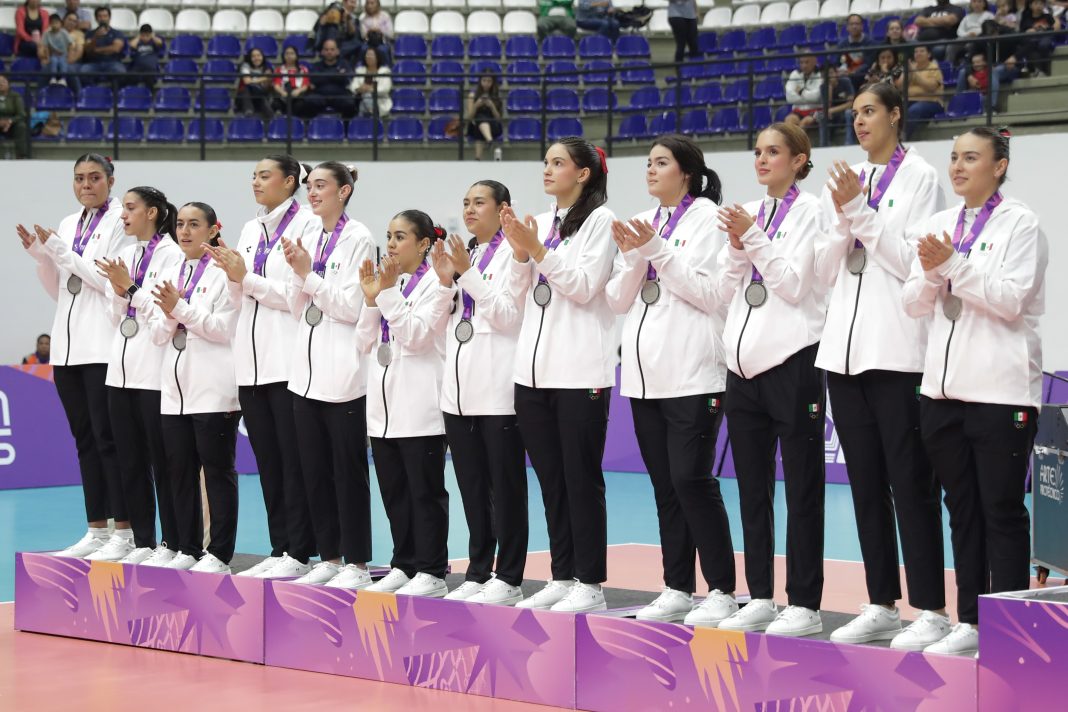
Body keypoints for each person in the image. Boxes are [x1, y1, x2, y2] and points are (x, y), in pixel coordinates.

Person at [815, 83, 950, 651]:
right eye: (854, 113)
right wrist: (844, 220)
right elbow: (823, 269)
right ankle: (881, 604)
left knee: (910, 484)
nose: (860, 121)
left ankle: (933, 609)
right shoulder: (845, 180)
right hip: (842, 356)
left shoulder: (920, 177)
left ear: (896, 115)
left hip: (896, 354)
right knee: (865, 485)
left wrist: (860, 213)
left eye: (870, 111)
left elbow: (909, 261)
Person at [903, 127, 1046, 655]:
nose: (958, 167)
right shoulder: (939, 225)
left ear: (999, 166)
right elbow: (912, 303)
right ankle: (970, 621)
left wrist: (952, 265)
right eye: (954, 157)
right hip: (941, 394)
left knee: (1001, 510)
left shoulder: (1021, 224)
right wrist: (930, 273)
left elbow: (1010, 300)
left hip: (1000, 393)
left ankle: (1007, 626)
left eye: (971, 157)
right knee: (961, 510)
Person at [604, 135, 736, 625]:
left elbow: (709, 294)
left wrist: (656, 250)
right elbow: (618, 300)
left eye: (661, 162)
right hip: (644, 378)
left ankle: (722, 589)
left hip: (693, 374)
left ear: (687, 172)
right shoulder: (646, 220)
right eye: (649, 162)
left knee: (691, 480)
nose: (651, 170)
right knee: (665, 486)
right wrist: (637, 255)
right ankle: (677, 587)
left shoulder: (708, 219)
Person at [710, 123, 828, 637]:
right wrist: (738, 246)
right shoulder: (751, 212)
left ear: (799, 160)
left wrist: (753, 239)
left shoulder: (812, 212)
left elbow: (794, 285)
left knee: (802, 488)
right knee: (751, 490)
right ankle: (759, 594)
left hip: (793, 363)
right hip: (742, 370)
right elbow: (724, 290)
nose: (761, 159)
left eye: (773, 152)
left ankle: (804, 602)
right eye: (758, 151)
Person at [501, 137, 617, 613]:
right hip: (533, 373)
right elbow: (517, 296)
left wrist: (538, 251)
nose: (547, 170)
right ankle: (562, 573)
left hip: (579, 370)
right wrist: (520, 253)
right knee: (551, 480)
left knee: (580, 479)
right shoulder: (542, 223)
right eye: (545, 162)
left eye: (557, 163)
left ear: (583, 173)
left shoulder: (601, 221)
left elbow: (584, 287)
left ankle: (590, 582)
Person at [206, 155, 321, 580]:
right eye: (253, 175)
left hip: (287, 361)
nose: (255, 181)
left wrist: (246, 279)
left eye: (264, 175)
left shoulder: (307, 225)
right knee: (268, 462)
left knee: (294, 461)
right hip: (250, 364)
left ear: (290, 181)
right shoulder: (251, 228)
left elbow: (294, 295)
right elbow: (237, 295)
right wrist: (234, 278)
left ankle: (301, 550)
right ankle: (281, 546)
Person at [16, 154, 132, 557]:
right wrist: (42, 256)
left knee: (108, 439)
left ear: (110, 181)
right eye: (80, 178)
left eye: (94, 177)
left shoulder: (120, 222)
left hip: (102, 346)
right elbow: (61, 291)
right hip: (68, 350)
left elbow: (107, 282)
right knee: (84, 440)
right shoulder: (68, 224)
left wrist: (62, 253)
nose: (86, 185)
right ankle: (96, 529)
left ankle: (124, 531)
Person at [431, 180, 530, 605]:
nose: (469, 210)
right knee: (471, 487)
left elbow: (508, 317)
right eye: (465, 203)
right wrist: (444, 282)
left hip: (498, 389)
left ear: (503, 208)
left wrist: (467, 275)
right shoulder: (464, 255)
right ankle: (477, 571)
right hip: (458, 391)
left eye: (479, 202)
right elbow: (442, 324)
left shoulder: (515, 253)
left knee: (506, 489)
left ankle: (509, 576)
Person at [280, 162, 377, 588]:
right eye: (310, 186)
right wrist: (299, 276)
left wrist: (308, 275)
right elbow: (295, 306)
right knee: (314, 472)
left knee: (347, 474)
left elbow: (352, 308)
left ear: (344, 191)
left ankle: (356, 562)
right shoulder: (310, 235)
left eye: (321, 185)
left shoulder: (359, 238)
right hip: (304, 373)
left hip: (343, 374)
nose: (312, 193)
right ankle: (329, 557)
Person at [357, 212, 455, 597]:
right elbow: (363, 342)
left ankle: (431, 569)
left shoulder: (436, 284)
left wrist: (384, 294)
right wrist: (371, 300)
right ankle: (404, 563)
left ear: (424, 243)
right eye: (389, 236)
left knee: (424, 493)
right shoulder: (390, 283)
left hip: (420, 406)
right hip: (383, 408)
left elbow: (415, 335)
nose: (391, 244)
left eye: (400, 237)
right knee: (395, 493)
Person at [92, 187, 184, 565]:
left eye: (130, 208)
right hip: (120, 372)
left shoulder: (173, 255)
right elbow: (114, 316)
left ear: (152, 212)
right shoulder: (127, 255)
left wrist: (130, 287)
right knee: (128, 461)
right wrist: (119, 292)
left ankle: (172, 541)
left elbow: (163, 320)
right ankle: (142, 541)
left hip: (153, 373)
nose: (123, 215)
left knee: (162, 463)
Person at [150, 202, 241, 572]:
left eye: (193, 225)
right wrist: (173, 314)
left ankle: (219, 553)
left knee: (217, 474)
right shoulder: (170, 270)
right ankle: (187, 548)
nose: (184, 232)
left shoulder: (225, 270)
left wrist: (180, 310)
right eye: (180, 225)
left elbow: (222, 329)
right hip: (174, 392)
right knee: (180, 473)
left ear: (213, 229)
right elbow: (157, 333)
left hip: (213, 390)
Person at [298, 39, 356, 119]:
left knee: (350, 103)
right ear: (322, 52)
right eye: (326, 49)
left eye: (332, 49)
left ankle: (346, 126)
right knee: (308, 102)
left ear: (337, 51)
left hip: (340, 96)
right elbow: (314, 80)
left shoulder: (344, 64)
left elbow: (347, 80)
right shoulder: (316, 65)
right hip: (319, 96)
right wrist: (336, 75)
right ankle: (310, 125)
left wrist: (323, 76)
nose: (329, 52)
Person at [902, 45, 946, 139]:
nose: (918, 53)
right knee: (892, 109)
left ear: (929, 54)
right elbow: (902, 88)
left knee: (914, 110)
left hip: (932, 102)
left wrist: (914, 72)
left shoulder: (934, 68)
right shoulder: (910, 67)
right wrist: (921, 89)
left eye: (922, 51)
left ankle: (902, 138)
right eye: (916, 51)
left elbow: (931, 87)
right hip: (910, 101)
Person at [78, 7, 126, 86]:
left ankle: (113, 90)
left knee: (121, 71)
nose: (102, 19)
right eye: (100, 16)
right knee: (83, 71)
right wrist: (95, 38)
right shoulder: (90, 34)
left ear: (109, 18)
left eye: (105, 16)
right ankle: (92, 90)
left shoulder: (117, 33)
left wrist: (96, 50)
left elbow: (116, 49)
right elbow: (88, 50)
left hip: (112, 62)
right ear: (96, 19)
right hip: (94, 63)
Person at [466, 74, 503, 161]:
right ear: (480, 81)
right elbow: (469, 118)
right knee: (479, 120)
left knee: (481, 121)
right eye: (484, 81)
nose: (486, 83)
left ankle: (477, 159)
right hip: (476, 125)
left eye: (489, 81)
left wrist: (492, 106)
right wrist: (476, 105)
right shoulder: (472, 95)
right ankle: (489, 140)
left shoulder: (496, 95)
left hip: (493, 126)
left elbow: (498, 119)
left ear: (493, 83)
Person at [784, 54, 823, 128]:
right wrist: (808, 97)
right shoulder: (794, 74)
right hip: (798, 111)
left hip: (819, 112)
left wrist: (800, 92)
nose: (804, 65)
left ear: (814, 62)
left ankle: (798, 136)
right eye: (801, 62)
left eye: (807, 62)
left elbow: (816, 97)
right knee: (789, 120)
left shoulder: (820, 74)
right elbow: (789, 98)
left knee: (805, 122)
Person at [351, 47, 392, 118]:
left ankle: (368, 115)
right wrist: (359, 89)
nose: (369, 57)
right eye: (367, 55)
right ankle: (372, 114)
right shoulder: (360, 70)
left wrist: (369, 89)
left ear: (377, 57)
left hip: (379, 101)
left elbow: (385, 89)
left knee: (366, 96)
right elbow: (353, 87)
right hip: (360, 100)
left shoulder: (384, 71)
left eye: (371, 55)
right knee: (365, 97)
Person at [952, 0, 995, 66]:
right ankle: (951, 66)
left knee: (970, 46)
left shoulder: (989, 15)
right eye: (974, 2)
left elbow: (990, 29)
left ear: (984, 4)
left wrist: (977, 34)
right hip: (966, 38)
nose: (977, 4)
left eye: (979, 2)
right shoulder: (967, 17)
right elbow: (959, 31)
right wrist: (967, 35)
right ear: (971, 4)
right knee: (952, 46)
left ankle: (969, 66)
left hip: (981, 39)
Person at [1019, 0, 1056, 76]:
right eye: (1036, 3)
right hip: (1032, 38)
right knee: (1030, 45)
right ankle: (1038, 70)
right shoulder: (1026, 18)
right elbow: (1022, 31)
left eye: (1041, 3)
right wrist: (1028, 31)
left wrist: (1045, 28)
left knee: (1043, 45)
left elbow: (1052, 29)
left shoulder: (1048, 17)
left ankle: (1044, 70)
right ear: (1030, 5)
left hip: (1044, 37)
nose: (1039, 6)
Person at [837, 14, 873, 90]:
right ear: (847, 27)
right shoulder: (842, 45)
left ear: (862, 26)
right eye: (851, 24)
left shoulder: (870, 43)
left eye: (857, 24)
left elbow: (868, 63)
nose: (854, 26)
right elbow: (837, 63)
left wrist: (853, 71)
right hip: (847, 78)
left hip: (864, 77)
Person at [822, 65, 856, 146]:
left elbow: (851, 103)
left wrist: (833, 110)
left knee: (848, 113)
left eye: (831, 73)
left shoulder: (845, 81)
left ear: (836, 73)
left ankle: (849, 143)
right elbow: (827, 107)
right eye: (826, 74)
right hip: (833, 115)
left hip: (845, 112)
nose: (829, 76)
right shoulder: (823, 87)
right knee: (822, 116)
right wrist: (829, 88)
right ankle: (825, 145)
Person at [238, 48, 274, 122]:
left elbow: (266, 85)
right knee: (247, 88)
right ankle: (248, 110)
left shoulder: (267, 66)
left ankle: (271, 118)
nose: (256, 58)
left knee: (261, 96)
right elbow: (247, 81)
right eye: (253, 56)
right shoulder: (245, 65)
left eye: (258, 55)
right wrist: (264, 78)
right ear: (250, 58)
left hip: (260, 96)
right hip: (245, 98)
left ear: (262, 56)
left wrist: (255, 81)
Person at [272, 45, 311, 115]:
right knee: (275, 103)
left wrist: (298, 91)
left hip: (297, 96)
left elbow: (305, 85)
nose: (289, 56)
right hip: (283, 96)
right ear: (283, 56)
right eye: (287, 53)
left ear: (296, 56)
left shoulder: (303, 69)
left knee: (301, 104)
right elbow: (276, 85)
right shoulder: (279, 69)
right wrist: (283, 93)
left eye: (292, 53)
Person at [0, 74, 30, 159]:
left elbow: (21, 114)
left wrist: (9, 121)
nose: (0, 84)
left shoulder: (15, 96)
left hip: (12, 125)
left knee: (21, 126)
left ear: (8, 84)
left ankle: (21, 156)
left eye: (3, 81)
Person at [127, 23, 163, 89]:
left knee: (150, 79)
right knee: (130, 77)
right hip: (137, 68)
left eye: (147, 36)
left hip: (151, 69)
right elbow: (131, 45)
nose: (145, 38)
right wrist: (139, 37)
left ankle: (150, 94)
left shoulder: (154, 42)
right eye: (143, 36)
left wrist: (152, 36)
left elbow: (160, 43)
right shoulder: (138, 42)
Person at [359, 0, 393, 66]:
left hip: (383, 42)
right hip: (368, 43)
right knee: (362, 49)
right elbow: (363, 35)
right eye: (368, 3)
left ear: (378, 5)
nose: (369, 6)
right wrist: (369, 31)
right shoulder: (363, 18)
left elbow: (391, 34)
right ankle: (362, 69)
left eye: (372, 3)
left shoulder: (385, 16)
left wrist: (380, 30)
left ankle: (386, 69)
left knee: (383, 50)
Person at [42, 15, 72, 85]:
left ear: (60, 23)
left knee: (62, 63)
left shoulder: (64, 32)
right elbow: (46, 47)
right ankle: (53, 78)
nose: (55, 25)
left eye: (56, 23)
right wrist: (48, 58)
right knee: (53, 61)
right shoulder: (47, 33)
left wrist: (69, 56)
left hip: (63, 54)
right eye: (52, 23)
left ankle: (63, 79)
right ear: (49, 24)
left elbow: (70, 44)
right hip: (53, 54)